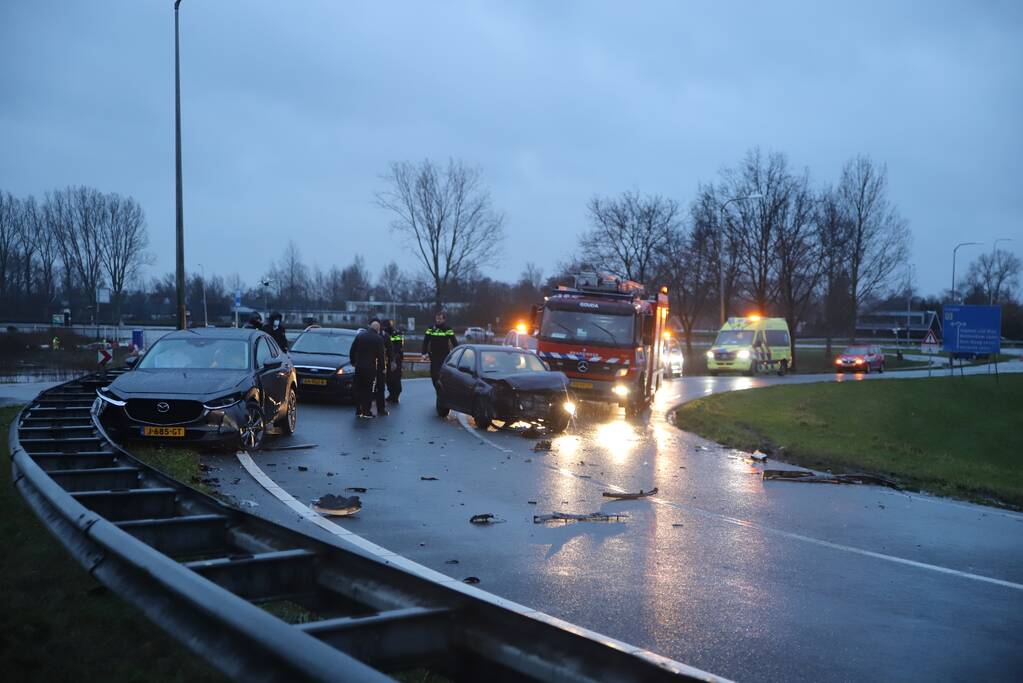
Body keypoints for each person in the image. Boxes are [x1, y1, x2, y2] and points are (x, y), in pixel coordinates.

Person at [348, 320, 386, 418]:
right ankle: (366, 411)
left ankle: (358, 410)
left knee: (358, 388)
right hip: (370, 368)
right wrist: (382, 368)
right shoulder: (378, 338)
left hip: (359, 367)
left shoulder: (360, 336)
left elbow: (352, 350)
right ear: (377, 328)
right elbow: (381, 356)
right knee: (368, 390)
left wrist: (353, 362)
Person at [422, 311, 459, 392]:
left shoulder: (447, 329)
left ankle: (444, 391)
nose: (438, 320)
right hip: (434, 355)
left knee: (442, 374)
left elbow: (454, 342)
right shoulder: (431, 329)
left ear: (444, 319)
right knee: (434, 375)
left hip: (444, 355)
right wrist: (424, 353)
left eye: (440, 319)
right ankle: (438, 390)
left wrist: (458, 353)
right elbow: (425, 341)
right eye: (437, 319)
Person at [383, 319, 403, 403]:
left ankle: (396, 395)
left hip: (396, 358)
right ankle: (391, 394)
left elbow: (398, 347)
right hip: (386, 358)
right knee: (388, 378)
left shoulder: (396, 333)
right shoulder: (383, 334)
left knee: (395, 377)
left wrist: (393, 357)